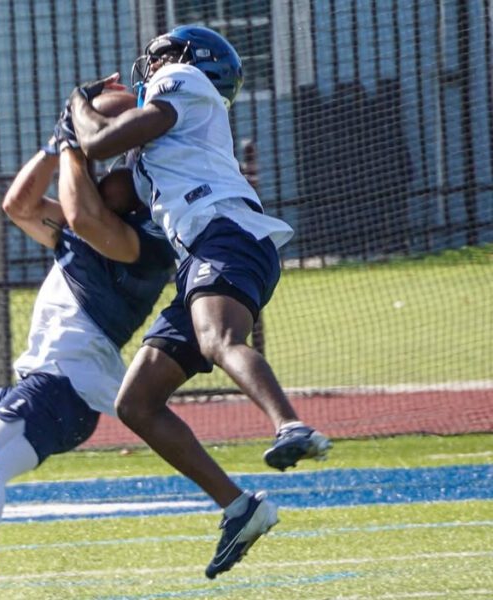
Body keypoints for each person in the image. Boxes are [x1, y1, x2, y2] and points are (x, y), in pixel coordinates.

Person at [65, 25, 332, 579]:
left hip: (226, 234)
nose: (151, 66)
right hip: (200, 255)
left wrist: (77, 106)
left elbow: (97, 143)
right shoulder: (161, 145)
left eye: (160, 56)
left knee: (217, 340)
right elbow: (105, 193)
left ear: (192, 58)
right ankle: (240, 508)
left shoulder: (185, 80)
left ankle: (291, 426)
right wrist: (70, 143)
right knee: (136, 403)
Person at [0, 122, 177, 599]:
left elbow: (84, 215)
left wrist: (73, 146)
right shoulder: (92, 227)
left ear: (141, 195)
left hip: (67, 386)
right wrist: (54, 143)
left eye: (121, 170)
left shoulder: (144, 243)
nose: (109, 172)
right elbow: (18, 206)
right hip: (41, 382)